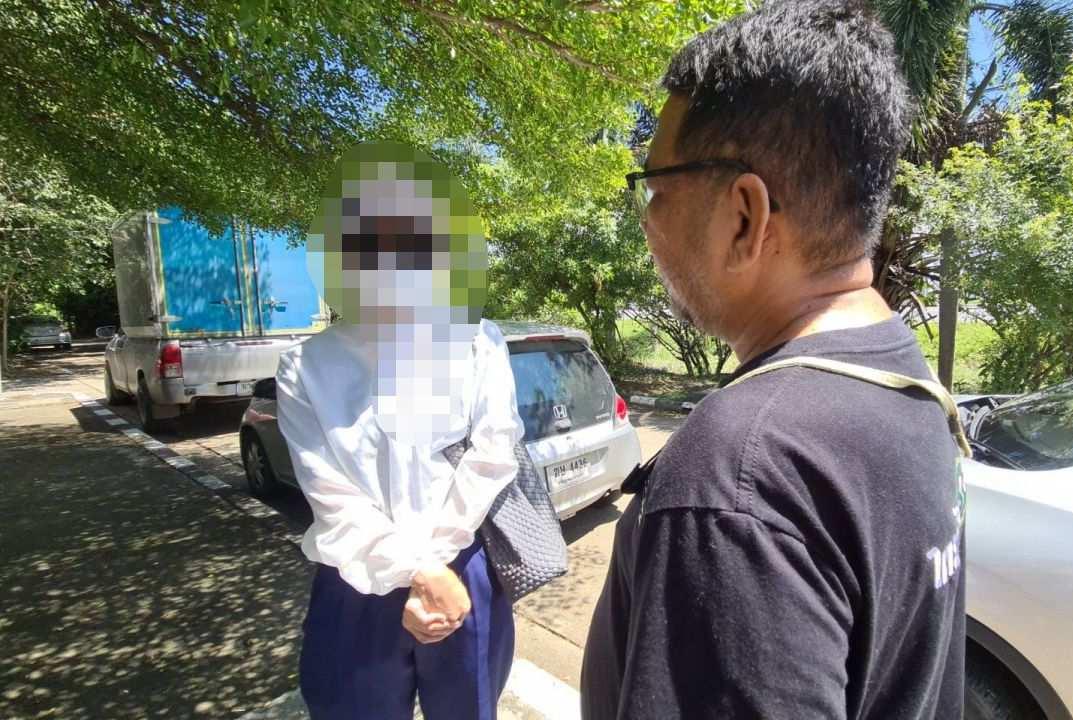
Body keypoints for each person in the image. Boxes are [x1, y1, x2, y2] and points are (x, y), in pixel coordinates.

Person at [581, 1, 966, 718]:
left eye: (655, 188)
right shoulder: (902, 376)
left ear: (744, 217)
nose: (647, 220)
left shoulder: (741, 472)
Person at [276, 141, 523, 720]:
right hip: (355, 583)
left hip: (462, 569)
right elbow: (331, 497)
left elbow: (492, 455)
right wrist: (419, 571)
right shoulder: (305, 367)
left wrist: (432, 568)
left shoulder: (478, 340)